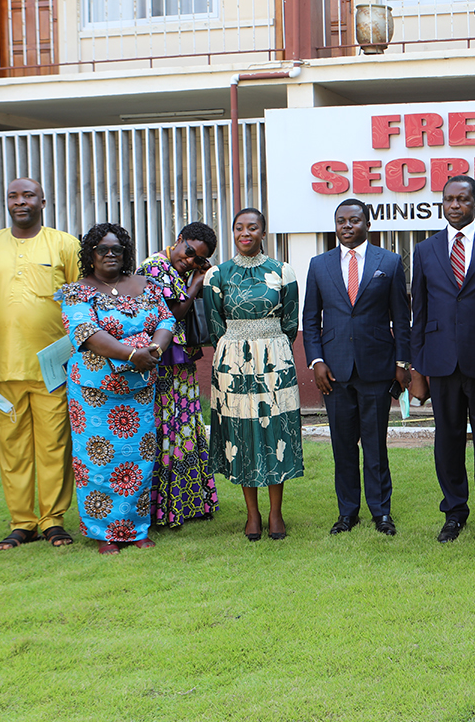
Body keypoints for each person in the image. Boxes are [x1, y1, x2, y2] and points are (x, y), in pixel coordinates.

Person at [0, 177, 82, 550]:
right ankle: (22, 522)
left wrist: (75, 357)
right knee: (12, 447)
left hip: (52, 367)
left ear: (43, 202)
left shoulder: (65, 244)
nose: (20, 202)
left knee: (54, 445)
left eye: (28, 195)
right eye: (13, 196)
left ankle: (53, 520)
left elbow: (78, 304)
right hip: (2, 367)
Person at [408, 176, 475, 544]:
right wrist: (418, 368)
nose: (455, 205)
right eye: (448, 199)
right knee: (448, 440)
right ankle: (454, 512)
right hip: (440, 362)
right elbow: (419, 314)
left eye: (462, 199)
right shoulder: (424, 251)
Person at [57, 224, 174, 554]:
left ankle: (135, 530)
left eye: (117, 250)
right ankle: (104, 532)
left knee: (138, 461)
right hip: (94, 395)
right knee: (98, 462)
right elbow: (87, 333)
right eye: (102, 250)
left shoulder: (146, 285)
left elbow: (166, 320)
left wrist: (155, 350)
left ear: (126, 254)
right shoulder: (76, 292)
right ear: (90, 254)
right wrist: (134, 353)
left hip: (138, 391)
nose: (110, 255)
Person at [302, 199, 410, 537]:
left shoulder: (389, 262)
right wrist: (316, 361)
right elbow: (310, 318)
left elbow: (401, 317)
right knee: (343, 445)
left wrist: (401, 363)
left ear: (368, 224)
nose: (347, 226)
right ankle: (347, 513)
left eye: (354, 220)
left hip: (376, 368)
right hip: (333, 372)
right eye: (341, 221)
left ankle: (381, 512)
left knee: (375, 445)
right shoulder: (319, 265)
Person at [206, 208, 303, 540]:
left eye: (252, 227)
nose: (245, 233)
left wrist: (271, 346)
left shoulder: (282, 271)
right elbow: (214, 324)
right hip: (232, 360)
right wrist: (238, 347)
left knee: (275, 430)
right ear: (233, 233)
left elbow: (291, 321)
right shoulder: (217, 274)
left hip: (275, 358)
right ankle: (253, 514)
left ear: (264, 232)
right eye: (238, 228)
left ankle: (276, 513)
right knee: (241, 433)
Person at [138, 223, 220, 529]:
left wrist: (198, 274)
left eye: (197, 259)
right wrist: (197, 281)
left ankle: (188, 502)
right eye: (189, 252)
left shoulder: (177, 269)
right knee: (168, 429)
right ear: (178, 240)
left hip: (178, 362)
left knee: (184, 425)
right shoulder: (154, 267)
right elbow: (173, 314)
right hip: (160, 361)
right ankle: (166, 508)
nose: (189, 261)